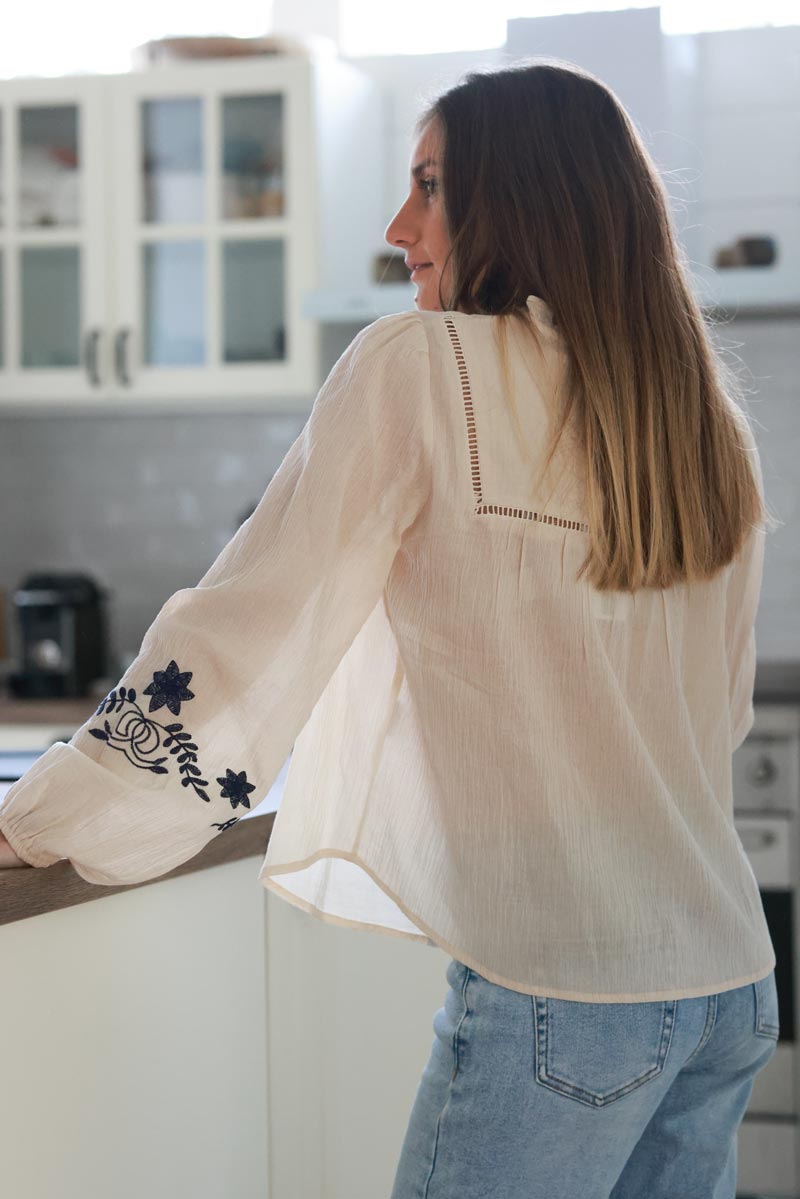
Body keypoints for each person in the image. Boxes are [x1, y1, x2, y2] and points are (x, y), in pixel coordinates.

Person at [0, 58, 781, 1197]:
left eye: (428, 185)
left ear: (520, 198)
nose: (395, 224)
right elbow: (711, 721)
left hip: (562, 991)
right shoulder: (703, 421)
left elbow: (245, 635)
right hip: (722, 978)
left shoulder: (423, 367)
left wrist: (55, 809)